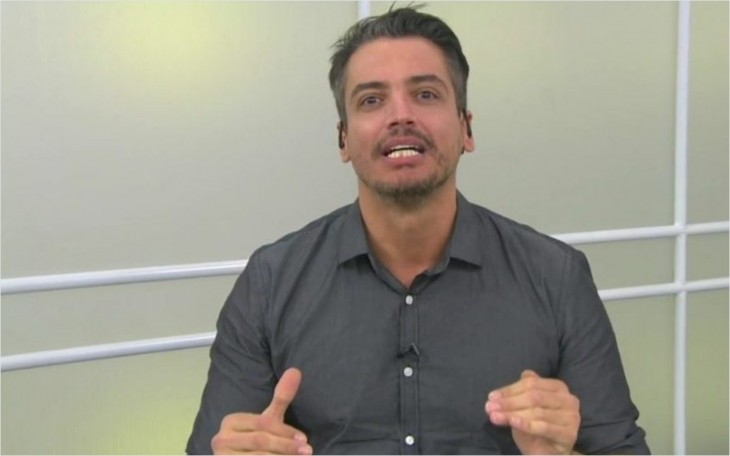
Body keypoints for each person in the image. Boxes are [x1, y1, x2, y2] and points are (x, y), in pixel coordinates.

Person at [187, 6, 649, 455]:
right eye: (372, 100)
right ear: (343, 139)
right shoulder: (271, 282)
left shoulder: (555, 275)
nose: (401, 116)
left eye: (426, 94)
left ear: (466, 129)